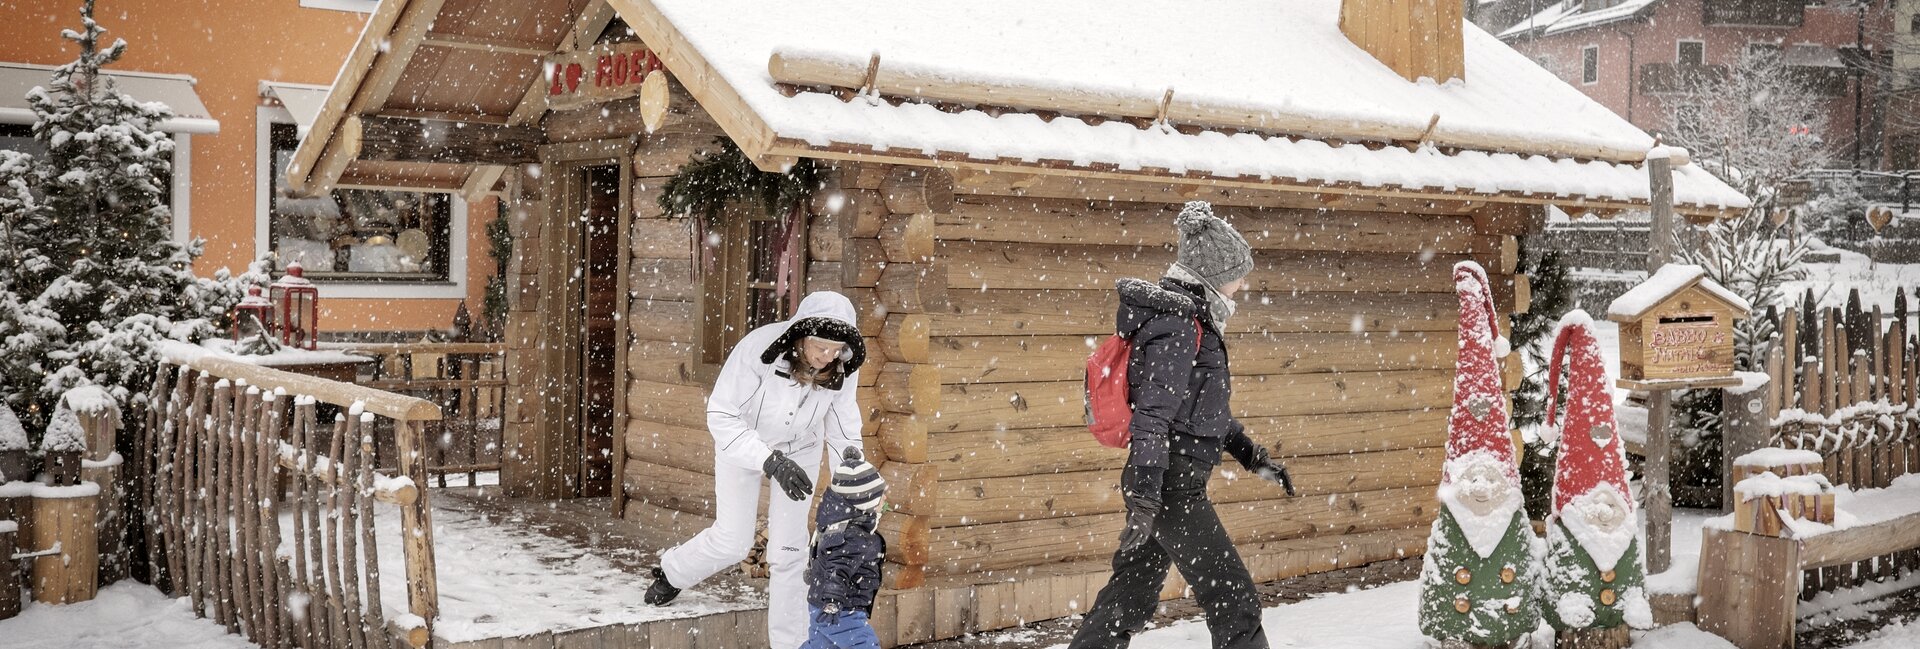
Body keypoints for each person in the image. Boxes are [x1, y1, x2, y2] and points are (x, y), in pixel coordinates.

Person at [1068, 201, 1296, 649]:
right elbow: (1152, 416)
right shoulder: (1178, 325)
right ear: (1212, 274)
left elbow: (1202, 413)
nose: (1243, 284)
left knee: (1129, 597)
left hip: (1165, 484)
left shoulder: (1193, 321)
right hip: (1169, 486)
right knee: (1234, 599)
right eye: (1237, 273)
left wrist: (1252, 456)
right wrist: (1148, 495)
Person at [646, 291, 867, 649]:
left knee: (789, 550)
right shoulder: (757, 351)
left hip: (801, 449)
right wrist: (768, 459)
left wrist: (855, 482)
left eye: (835, 348)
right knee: (733, 542)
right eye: (820, 347)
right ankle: (673, 572)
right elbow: (721, 414)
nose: (827, 356)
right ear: (802, 334)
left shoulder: (841, 365)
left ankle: (792, 643)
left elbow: (844, 429)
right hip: (745, 443)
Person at [800, 447, 888, 649]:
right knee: (863, 644)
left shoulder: (836, 523)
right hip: (842, 609)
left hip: (821, 603)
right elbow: (837, 568)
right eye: (880, 496)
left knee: (821, 645)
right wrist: (832, 601)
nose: (884, 500)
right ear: (865, 503)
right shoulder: (852, 536)